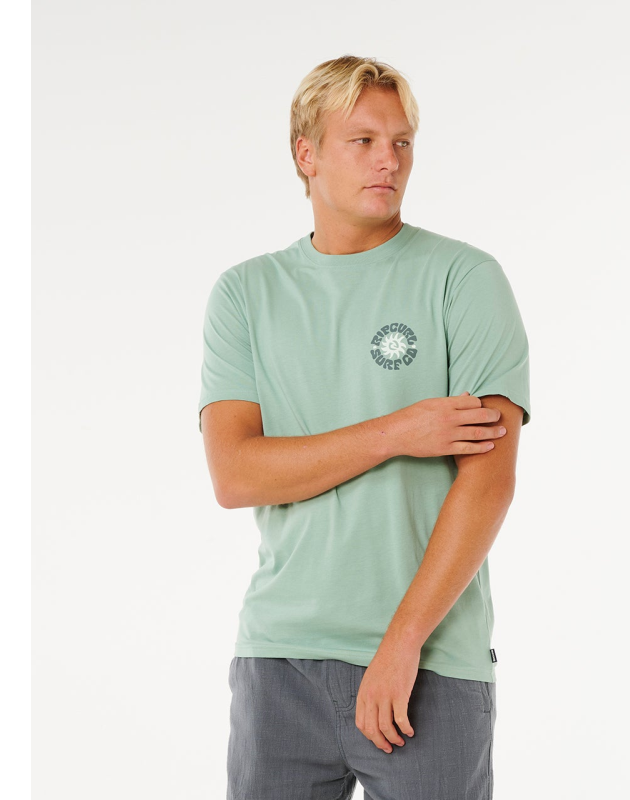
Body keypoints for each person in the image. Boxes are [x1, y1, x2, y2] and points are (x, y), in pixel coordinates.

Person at [198, 54, 531, 800]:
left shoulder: (464, 279)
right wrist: (396, 433)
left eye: (402, 142)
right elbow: (236, 474)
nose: (390, 160)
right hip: (279, 659)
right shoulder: (246, 294)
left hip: (430, 664)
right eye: (364, 141)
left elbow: (489, 484)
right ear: (306, 154)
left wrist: (402, 641)